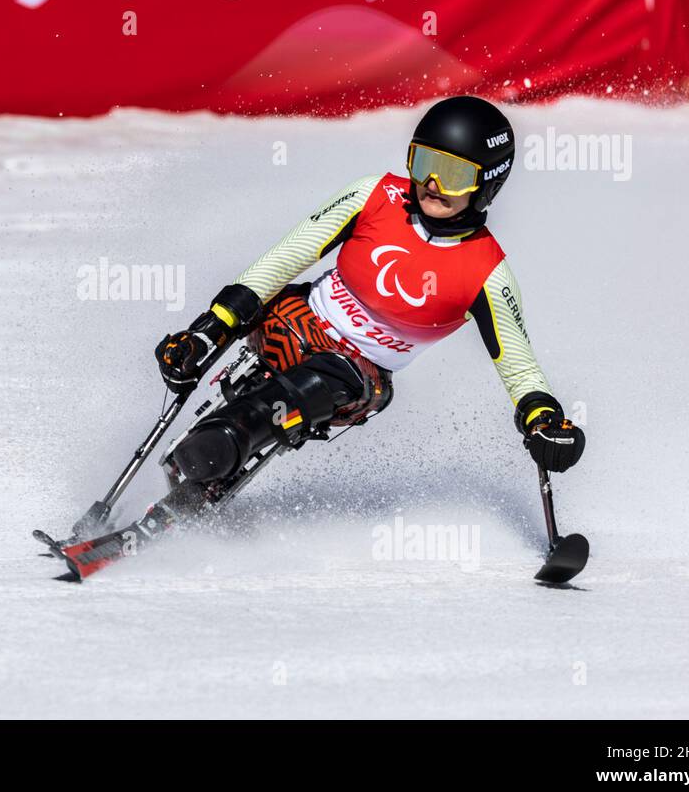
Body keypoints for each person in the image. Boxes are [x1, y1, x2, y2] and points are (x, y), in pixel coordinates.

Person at [150, 95, 584, 527]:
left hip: (351, 373)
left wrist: (542, 419)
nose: (432, 182)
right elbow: (283, 260)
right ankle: (186, 454)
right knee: (237, 325)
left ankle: (215, 455)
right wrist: (209, 330)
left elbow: (520, 367)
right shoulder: (375, 196)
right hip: (292, 319)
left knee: (293, 396)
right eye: (423, 162)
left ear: (487, 184)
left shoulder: (487, 272)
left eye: (453, 174)